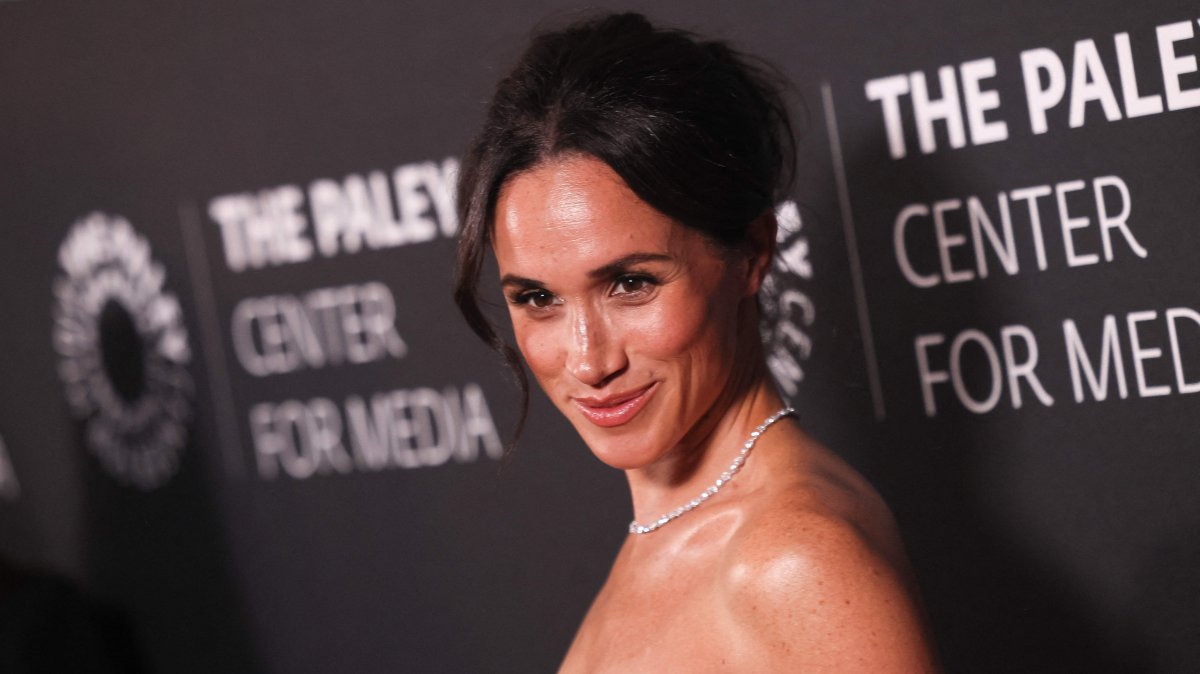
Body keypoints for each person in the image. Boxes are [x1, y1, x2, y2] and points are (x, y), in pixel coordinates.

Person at [454, 11, 939, 672]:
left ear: (752, 254)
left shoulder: (792, 564)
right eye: (538, 299)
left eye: (630, 283)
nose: (590, 360)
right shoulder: (678, 531)